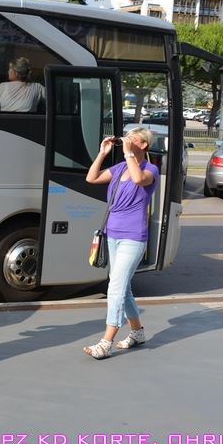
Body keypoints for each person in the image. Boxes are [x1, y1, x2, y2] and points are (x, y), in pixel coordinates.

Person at [83, 127, 159, 359]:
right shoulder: (119, 168)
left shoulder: (150, 169)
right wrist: (102, 153)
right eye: (127, 137)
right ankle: (137, 332)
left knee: (115, 287)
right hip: (112, 234)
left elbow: (138, 179)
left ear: (143, 145)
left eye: (133, 138)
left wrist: (128, 153)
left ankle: (106, 342)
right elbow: (91, 178)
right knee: (122, 288)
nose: (127, 140)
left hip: (133, 237)